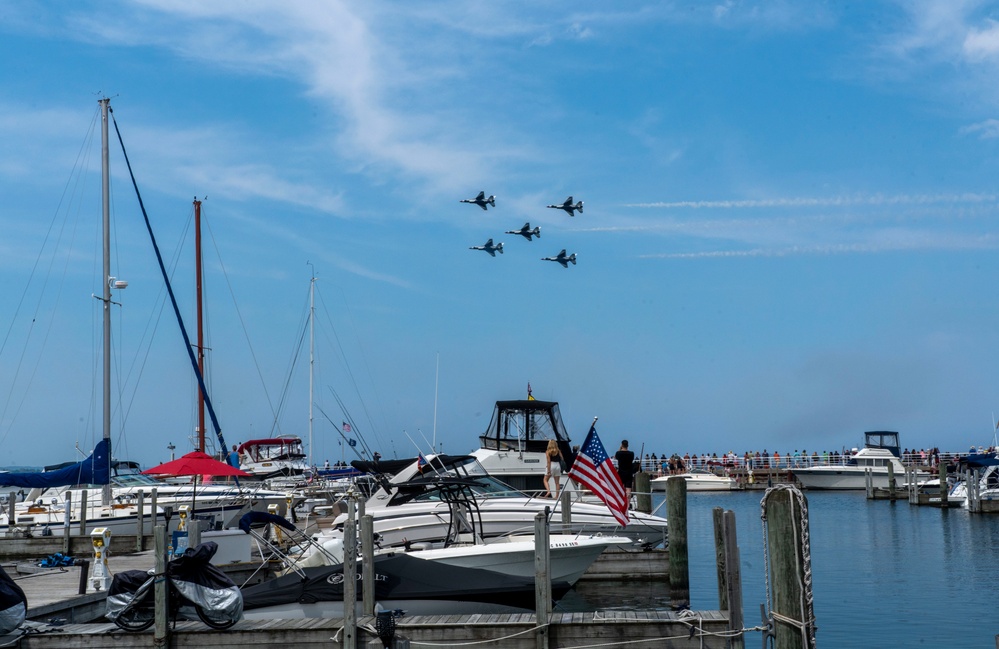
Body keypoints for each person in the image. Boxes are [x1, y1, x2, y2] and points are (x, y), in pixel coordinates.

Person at [615, 439, 636, 505]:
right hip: (629, 473)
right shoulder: (631, 454)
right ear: (628, 445)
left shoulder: (618, 453)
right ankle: (628, 504)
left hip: (621, 473)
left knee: (620, 488)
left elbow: (616, 457)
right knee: (628, 490)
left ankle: (620, 503)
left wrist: (620, 448)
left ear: (622, 445)